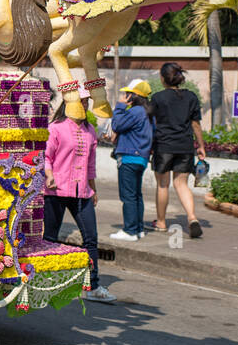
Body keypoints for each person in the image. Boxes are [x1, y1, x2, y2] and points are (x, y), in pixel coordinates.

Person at [44, 89, 115, 303]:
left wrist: (93, 189)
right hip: (55, 190)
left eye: (86, 102)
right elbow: (46, 157)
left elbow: (90, 164)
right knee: (49, 239)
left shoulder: (90, 130)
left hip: (82, 192)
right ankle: (45, 281)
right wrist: (49, 176)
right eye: (81, 101)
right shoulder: (55, 129)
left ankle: (92, 285)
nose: (84, 105)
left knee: (91, 239)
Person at [150, 61, 206, 239]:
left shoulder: (158, 98)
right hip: (185, 146)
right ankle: (192, 218)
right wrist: (201, 146)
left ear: (162, 78)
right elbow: (195, 124)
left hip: (164, 146)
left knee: (163, 185)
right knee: (181, 184)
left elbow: (153, 123)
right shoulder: (191, 97)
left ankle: (161, 222)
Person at [110, 79, 155, 242]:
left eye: (127, 94)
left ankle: (129, 231)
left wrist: (120, 107)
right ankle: (138, 228)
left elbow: (117, 124)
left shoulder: (135, 111)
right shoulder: (147, 113)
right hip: (141, 158)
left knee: (128, 195)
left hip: (129, 157)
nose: (124, 96)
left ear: (134, 96)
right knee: (136, 195)